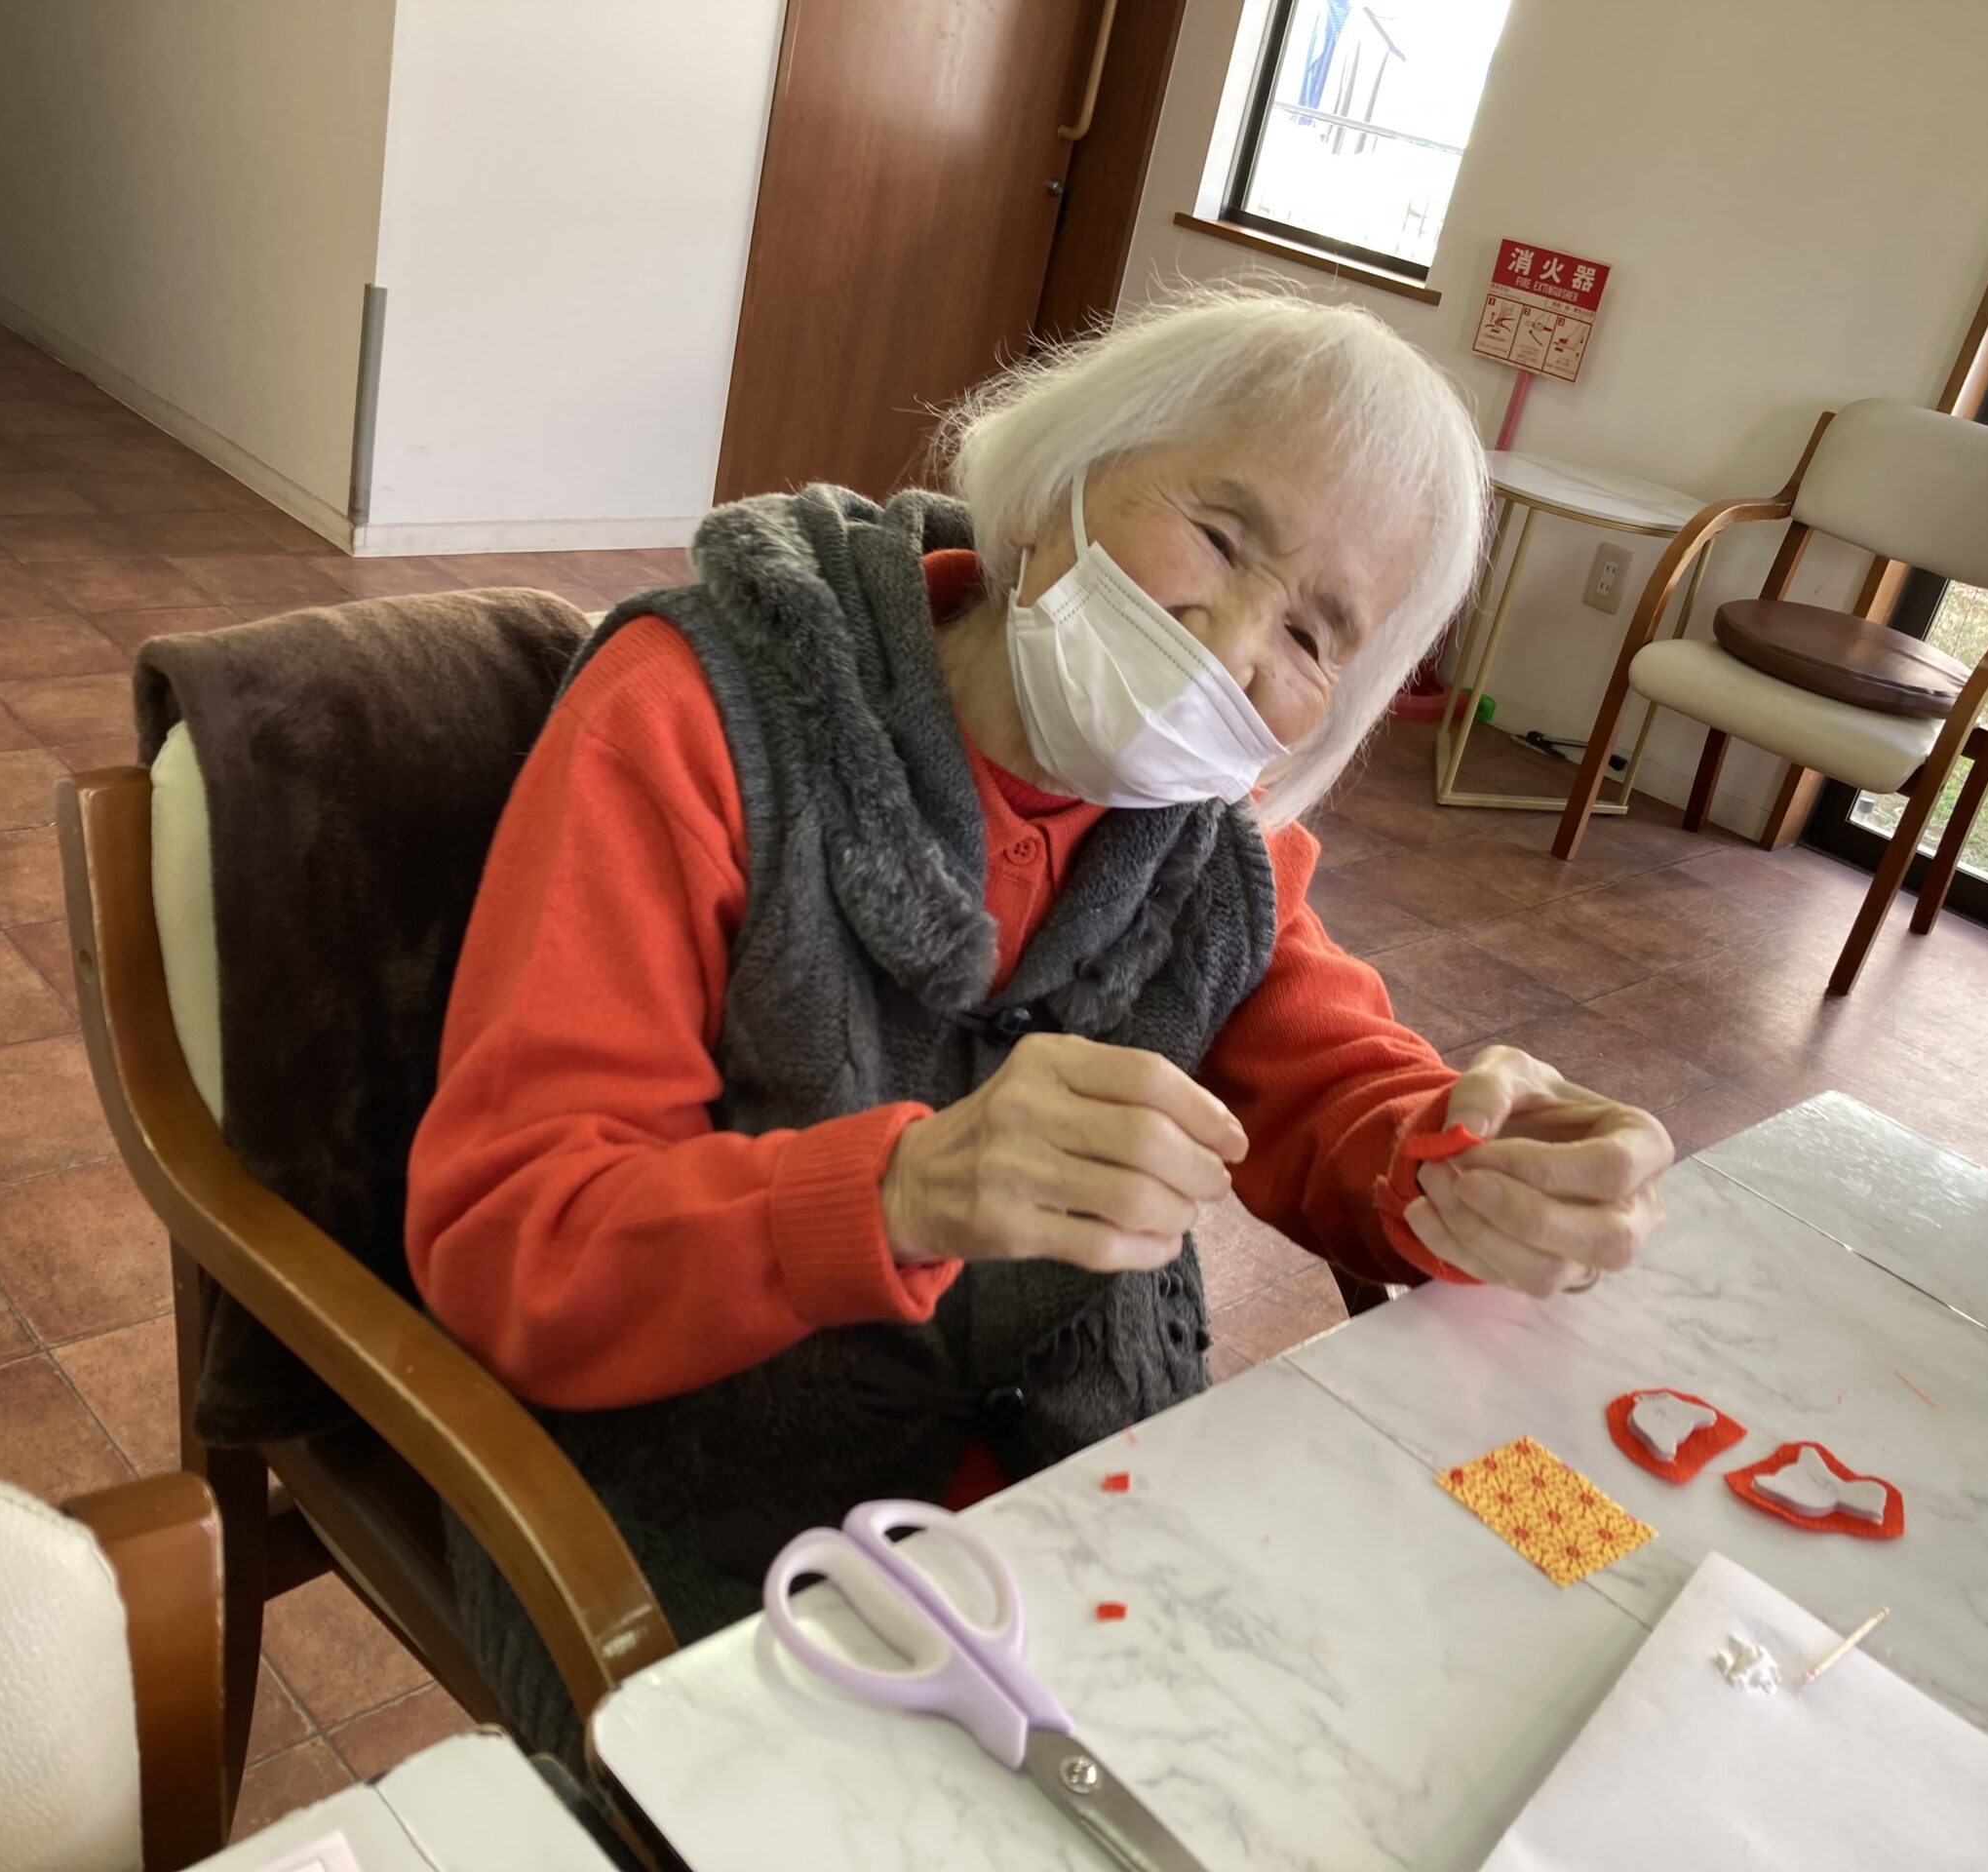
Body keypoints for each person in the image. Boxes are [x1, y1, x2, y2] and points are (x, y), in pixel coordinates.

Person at [405, 285, 1675, 1748]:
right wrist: (901, 1190)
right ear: (1051, 487)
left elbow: (1343, 1095)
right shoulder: (695, 716)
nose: (1230, 641)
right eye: (1220, 534)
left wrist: (1476, 1162)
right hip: (698, 1505)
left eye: (1315, 632)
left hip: (1065, 1508)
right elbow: (514, 1237)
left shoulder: (1211, 842)